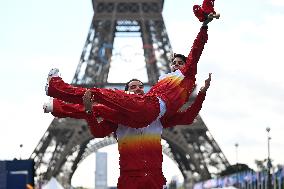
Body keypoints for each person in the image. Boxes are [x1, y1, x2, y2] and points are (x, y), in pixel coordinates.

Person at [45, 0, 218, 128]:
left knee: (98, 93)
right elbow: (185, 118)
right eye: (174, 62)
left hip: (148, 107)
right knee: (99, 108)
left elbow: (196, 50)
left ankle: (56, 87)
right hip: (144, 118)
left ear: (187, 65)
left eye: (180, 63)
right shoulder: (170, 83)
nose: (175, 65)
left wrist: (204, 27)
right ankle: (57, 106)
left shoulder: (186, 74)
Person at [44, 75, 211, 189]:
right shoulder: (116, 117)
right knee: (98, 107)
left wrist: (201, 93)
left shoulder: (158, 116)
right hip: (130, 180)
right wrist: (89, 112)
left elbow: (188, 117)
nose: (138, 89)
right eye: (133, 87)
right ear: (125, 94)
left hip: (154, 179)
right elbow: (98, 132)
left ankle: (57, 103)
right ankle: (57, 99)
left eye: (141, 87)